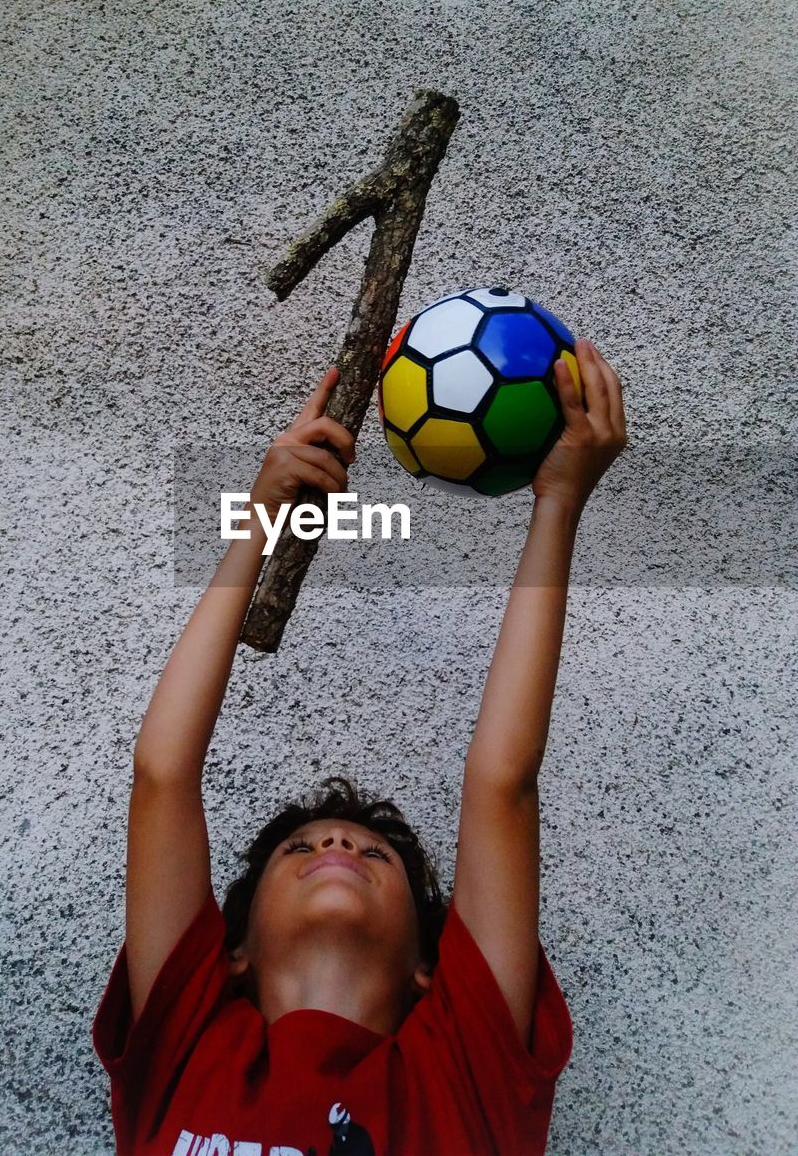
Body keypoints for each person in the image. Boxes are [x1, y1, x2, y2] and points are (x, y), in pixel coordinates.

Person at [92, 340, 628, 1155]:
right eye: (304, 847)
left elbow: (501, 783)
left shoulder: (465, 1068)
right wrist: (258, 520)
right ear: (229, 953)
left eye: (371, 855)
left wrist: (558, 503)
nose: (337, 842)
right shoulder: (186, 1044)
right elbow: (161, 775)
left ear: (430, 967)